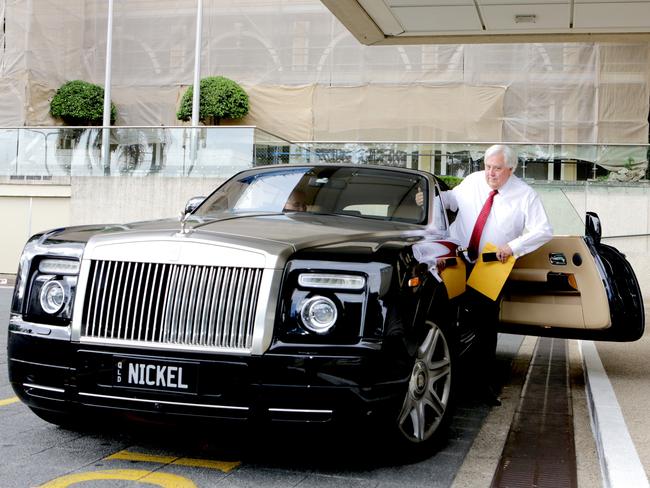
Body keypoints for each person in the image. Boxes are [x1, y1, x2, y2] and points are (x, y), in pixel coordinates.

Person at [442, 144, 553, 405]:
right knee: (448, 318)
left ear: (511, 169)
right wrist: (426, 198)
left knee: (484, 327)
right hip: (458, 258)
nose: (490, 173)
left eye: (497, 168)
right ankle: (451, 384)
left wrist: (512, 247)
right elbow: (450, 200)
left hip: (491, 263)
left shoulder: (525, 195)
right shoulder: (472, 182)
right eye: (487, 166)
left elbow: (543, 230)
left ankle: (480, 388)